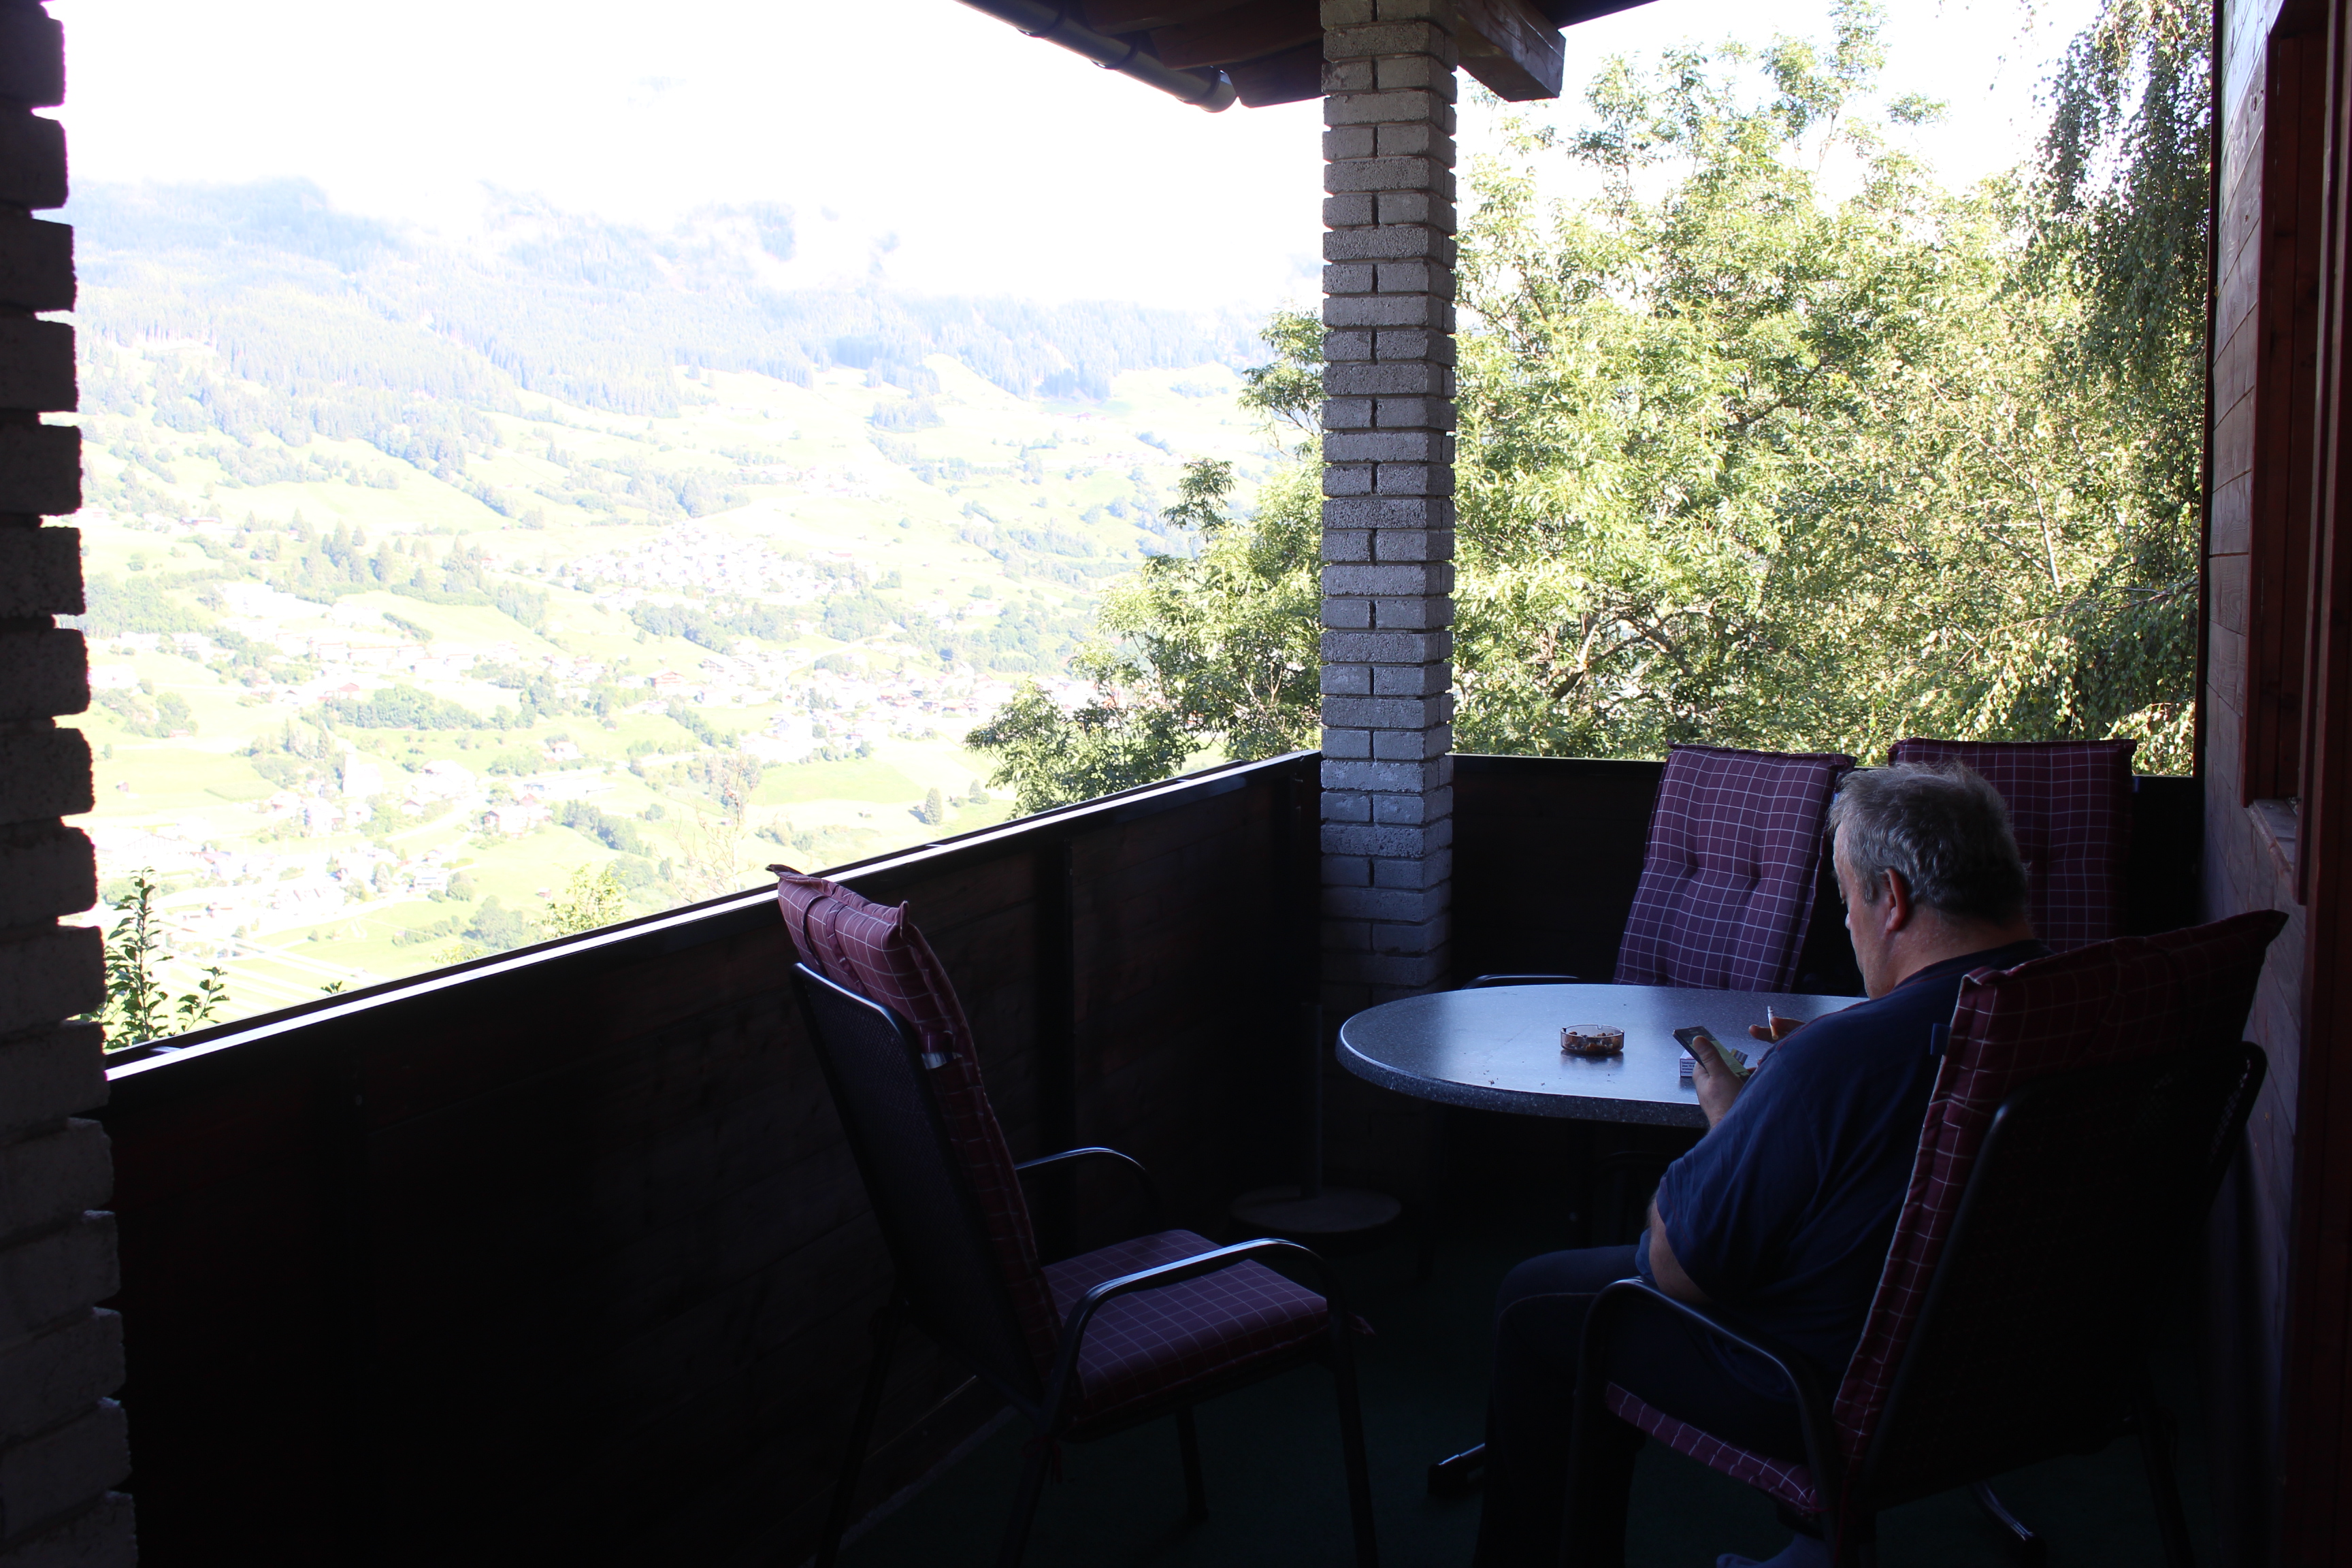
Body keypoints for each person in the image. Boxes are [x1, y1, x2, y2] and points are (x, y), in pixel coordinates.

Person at [1472, 762, 2048, 1568]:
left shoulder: (1840, 1060)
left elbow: (1676, 1269)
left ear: (1891, 898)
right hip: (2030, 1363)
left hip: (1827, 1386)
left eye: (1845, 900)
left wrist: (1740, 1125)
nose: (1847, 922)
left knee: (1535, 1300)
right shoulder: (2067, 1013)